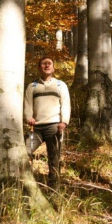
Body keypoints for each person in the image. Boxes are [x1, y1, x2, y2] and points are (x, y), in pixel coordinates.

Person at [23, 56, 71, 187]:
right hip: (36, 128)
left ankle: (53, 187)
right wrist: (29, 118)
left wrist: (64, 122)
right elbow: (27, 105)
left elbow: (66, 105)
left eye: (50, 63)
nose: (47, 66)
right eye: (44, 64)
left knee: (54, 159)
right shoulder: (32, 86)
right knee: (25, 151)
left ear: (54, 68)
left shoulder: (60, 85)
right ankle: (26, 182)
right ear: (39, 67)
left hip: (54, 126)